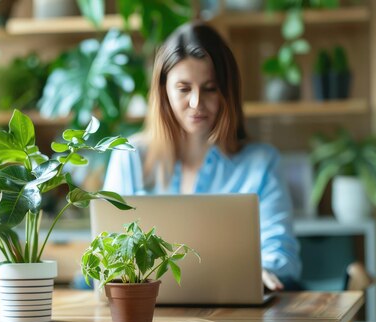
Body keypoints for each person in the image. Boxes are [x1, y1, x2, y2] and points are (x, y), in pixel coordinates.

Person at [103, 21, 301, 291]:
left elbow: (284, 256)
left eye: (209, 88)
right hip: (145, 313)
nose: (196, 103)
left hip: (235, 317)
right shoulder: (129, 158)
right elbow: (108, 256)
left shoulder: (262, 164)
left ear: (226, 92)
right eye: (184, 89)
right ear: (163, 91)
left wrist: (264, 271)